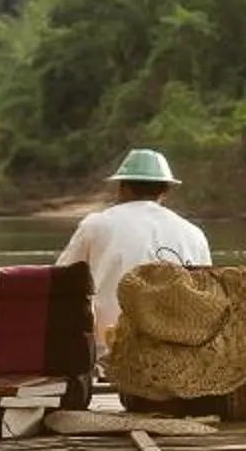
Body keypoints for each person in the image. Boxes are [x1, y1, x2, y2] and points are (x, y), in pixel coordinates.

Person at [60, 147, 214, 349]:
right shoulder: (194, 235)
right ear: (165, 190)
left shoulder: (95, 225)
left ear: (122, 187)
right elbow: (207, 297)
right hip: (176, 350)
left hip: (108, 347)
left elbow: (60, 280)